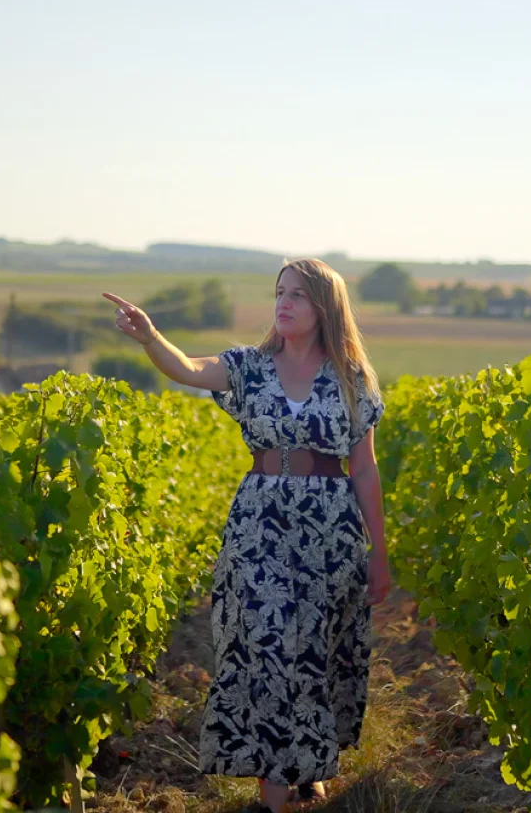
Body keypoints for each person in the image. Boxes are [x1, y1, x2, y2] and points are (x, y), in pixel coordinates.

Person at [102, 258, 391, 813]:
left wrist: (379, 553)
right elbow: (187, 368)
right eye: (279, 292)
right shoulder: (248, 366)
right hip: (260, 525)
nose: (283, 303)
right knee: (266, 645)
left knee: (316, 650)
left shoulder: (352, 379)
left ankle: (303, 766)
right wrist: (150, 337)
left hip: (330, 532)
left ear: (325, 306)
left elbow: (365, 469)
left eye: (297, 295)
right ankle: (273, 796)